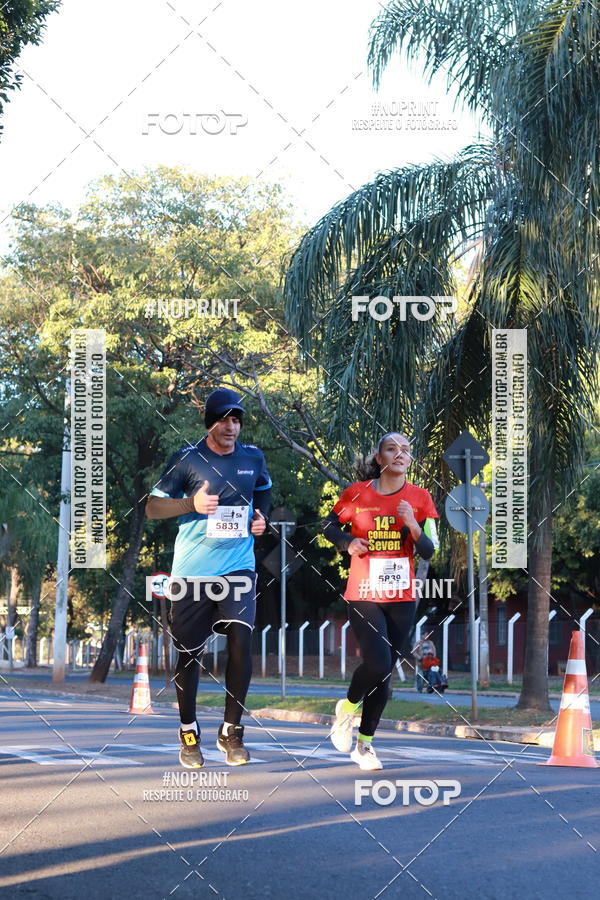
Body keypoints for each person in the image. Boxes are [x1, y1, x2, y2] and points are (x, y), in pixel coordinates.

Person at [145, 388, 272, 768]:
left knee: (241, 638)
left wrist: (259, 518)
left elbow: (263, 489)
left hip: (238, 565)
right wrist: (191, 504)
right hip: (191, 571)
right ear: (210, 422)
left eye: (236, 420)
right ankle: (188, 731)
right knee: (188, 654)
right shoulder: (186, 460)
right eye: (224, 419)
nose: (231, 426)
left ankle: (231, 731)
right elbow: (152, 507)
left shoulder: (252, 457)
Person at [323, 432, 439, 770]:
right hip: (363, 592)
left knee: (385, 672)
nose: (400, 453)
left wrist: (412, 525)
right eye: (392, 448)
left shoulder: (420, 498)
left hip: (402, 595)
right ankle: (346, 709)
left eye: (406, 449)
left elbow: (430, 550)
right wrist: (348, 543)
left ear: (410, 459)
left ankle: (366, 745)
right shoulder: (357, 493)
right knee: (376, 663)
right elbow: (329, 525)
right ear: (380, 457)